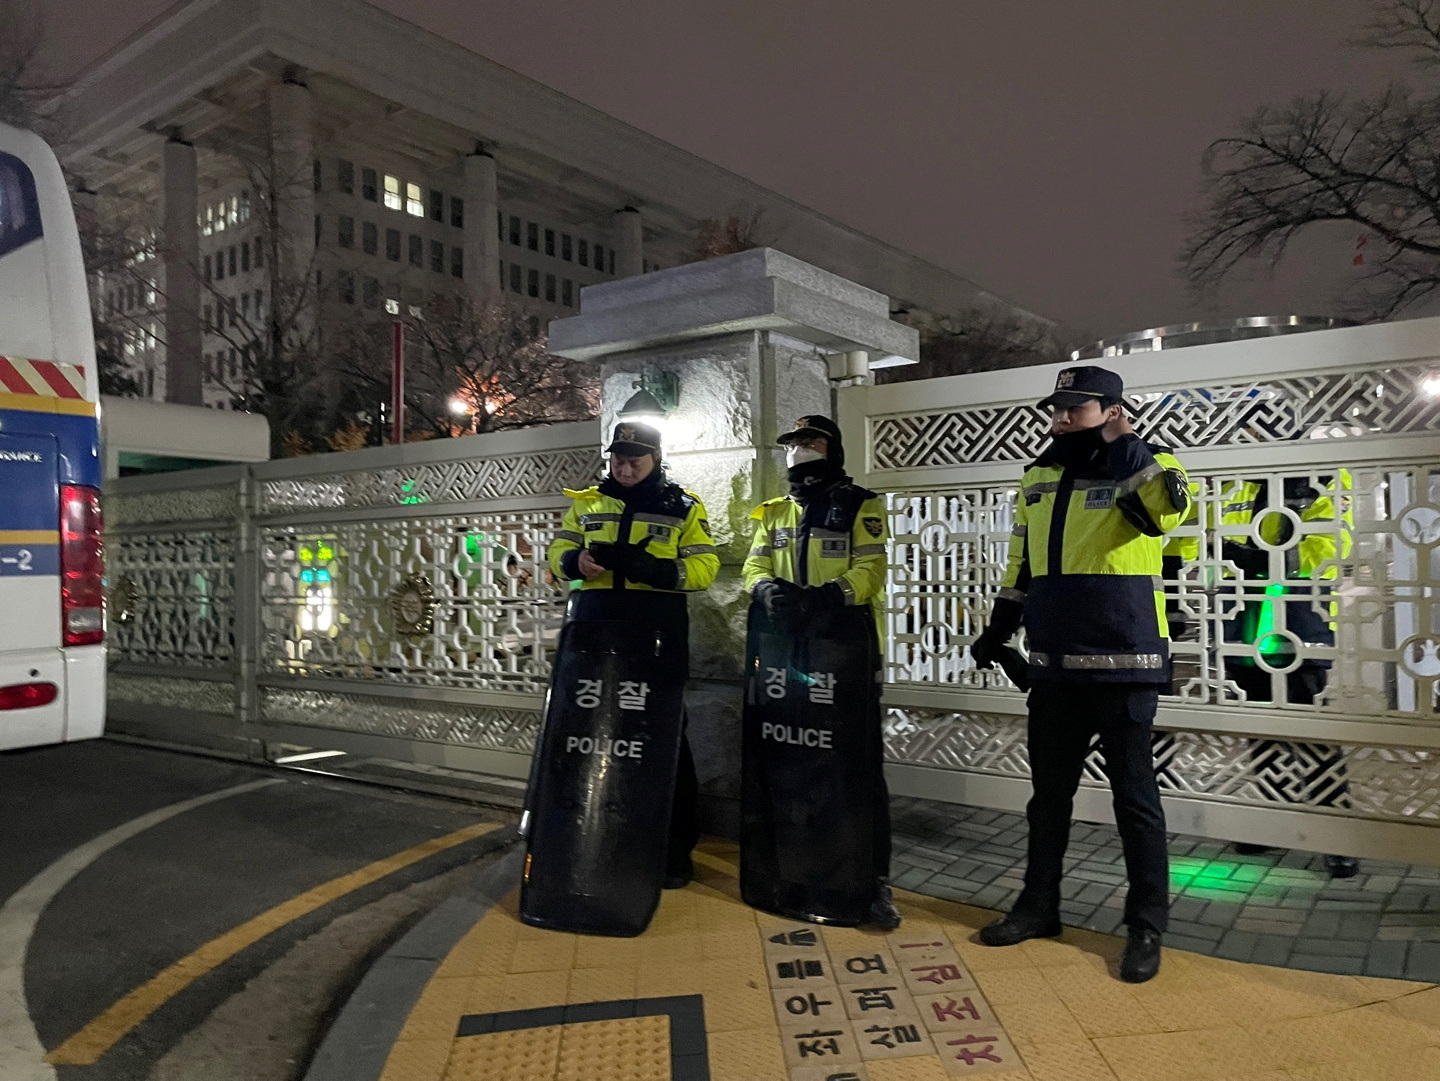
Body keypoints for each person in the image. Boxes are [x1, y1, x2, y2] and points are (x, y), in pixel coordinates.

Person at [970, 365, 1190, 984]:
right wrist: (999, 626)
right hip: (1056, 664)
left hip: (1127, 664)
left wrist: (1127, 447)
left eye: (1077, 407)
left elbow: (1165, 514)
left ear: (1113, 410)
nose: (1062, 417)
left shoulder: (1154, 463)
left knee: (1135, 801)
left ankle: (1146, 927)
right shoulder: (1037, 474)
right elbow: (1024, 561)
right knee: (1049, 800)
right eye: (1057, 408)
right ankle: (1038, 907)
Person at [741, 414, 900, 929]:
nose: (799, 451)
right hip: (787, 657)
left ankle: (870, 880)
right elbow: (753, 567)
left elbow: (870, 570)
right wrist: (766, 591)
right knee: (790, 759)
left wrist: (826, 599)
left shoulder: (860, 504)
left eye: (810, 442)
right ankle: (792, 870)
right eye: (792, 444)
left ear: (831, 449)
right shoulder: (774, 511)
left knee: (854, 767)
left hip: (843, 655)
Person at [546, 421, 720, 888]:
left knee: (663, 742)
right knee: (590, 739)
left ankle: (673, 854)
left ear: (655, 460)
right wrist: (574, 562)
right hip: (596, 641)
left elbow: (705, 568)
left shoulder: (684, 507)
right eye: (618, 459)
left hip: (654, 643)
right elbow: (559, 550)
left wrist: (655, 569)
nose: (623, 468)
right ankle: (592, 840)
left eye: (634, 460)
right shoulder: (587, 503)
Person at [1218, 471, 1357, 878]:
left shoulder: (1321, 480)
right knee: (1263, 731)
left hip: (1298, 626)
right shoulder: (1238, 483)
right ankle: (1272, 822)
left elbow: (1329, 547)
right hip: (1245, 628)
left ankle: (1337, 836)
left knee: (1312, 734)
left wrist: (1259, 557)